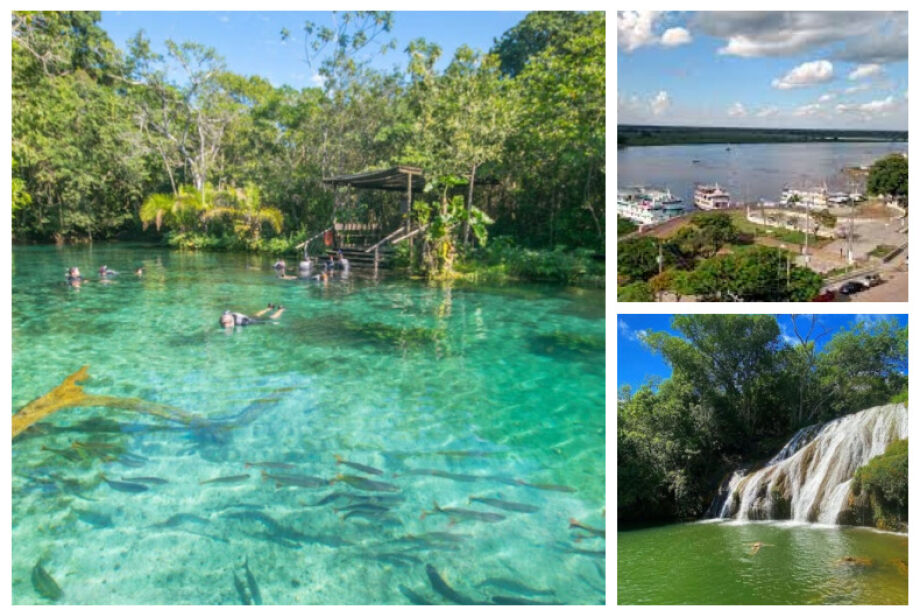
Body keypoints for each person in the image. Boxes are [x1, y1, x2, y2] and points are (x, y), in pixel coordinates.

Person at [219, 304, 285, 329]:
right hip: (246, 317)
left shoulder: (242, 322)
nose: (224, 323)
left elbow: (257, 323)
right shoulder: (223, 318)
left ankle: (281, 309)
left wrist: (270, 323)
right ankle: (269, 308)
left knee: (271, 318)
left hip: (250, 320)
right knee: (256, 315)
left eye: (226, 323)